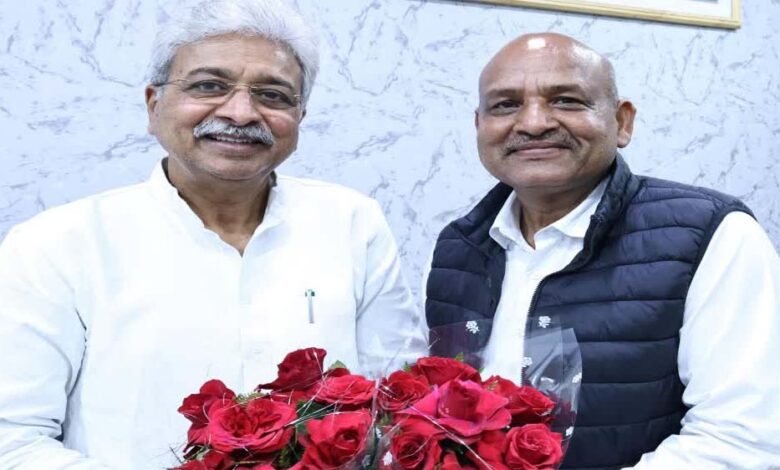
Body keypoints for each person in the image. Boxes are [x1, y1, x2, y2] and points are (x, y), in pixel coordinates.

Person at [0, 0, 427, 468]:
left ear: (300, 117)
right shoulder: (56, 244)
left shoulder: (352, 223)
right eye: (209, 86)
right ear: (154, 105)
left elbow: (402, 406)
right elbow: (13, 440)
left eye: (273, 95)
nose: (241, 113)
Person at [424, 33, 780, 469]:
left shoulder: (713, 235)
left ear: (622, 122)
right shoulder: (456, 249)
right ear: (479, 125)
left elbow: (742, 439)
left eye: (566, 100)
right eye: (505, 105)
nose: (532, 122)